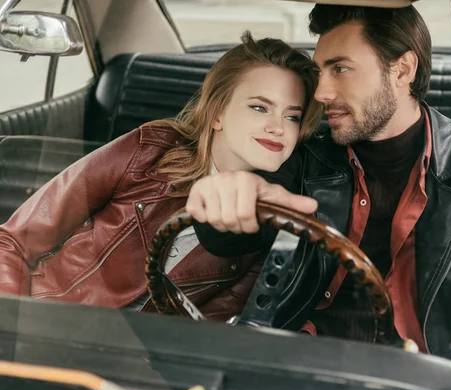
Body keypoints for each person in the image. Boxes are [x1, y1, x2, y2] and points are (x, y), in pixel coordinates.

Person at [184, 5, 451, 384]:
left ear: (402, 69)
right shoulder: (308, 159)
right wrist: (225, 199)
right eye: (319, 72)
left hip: (431, 384)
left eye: (341, 69)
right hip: (294, 374)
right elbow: (231, 232)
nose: (321, 93)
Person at [0, 32, 321, 321]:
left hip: (123, 362)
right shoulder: (151, 149)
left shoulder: (264, 227)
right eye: (260, 108)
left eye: (292, 116)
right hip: (37, 320)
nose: (278, 127)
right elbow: (12, 241)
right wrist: (12, 328)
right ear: (217, 113)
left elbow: (204, 329)